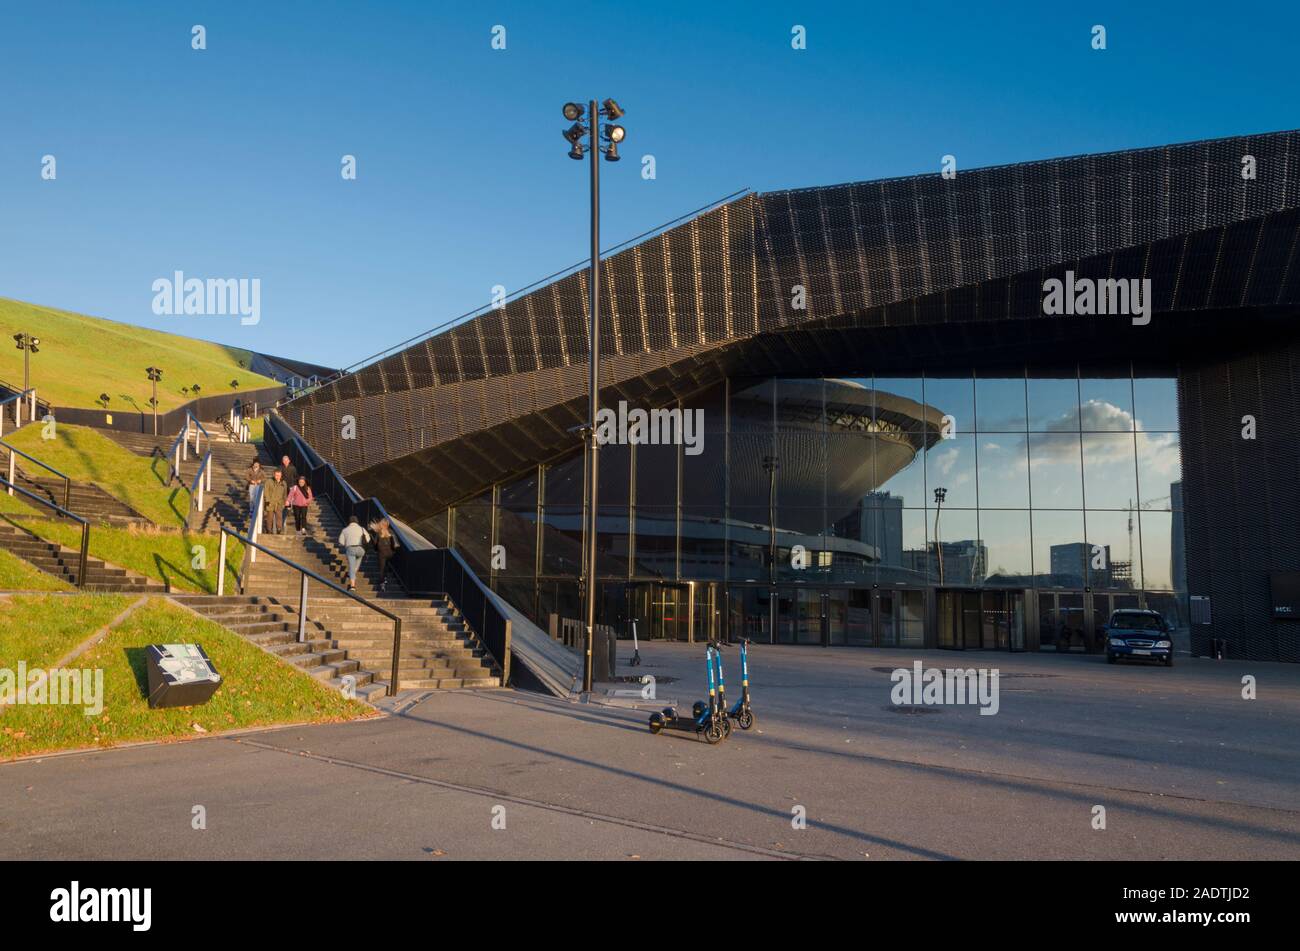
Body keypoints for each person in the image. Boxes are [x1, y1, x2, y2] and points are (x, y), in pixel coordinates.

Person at [338, 515, 372, 591]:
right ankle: (351, 574)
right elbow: (368, 539)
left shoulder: (345, 530)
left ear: (349, 522)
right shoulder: (362, 529)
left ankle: (352, 586)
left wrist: (347, 542)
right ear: (357, 521)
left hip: (351, 549)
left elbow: (341, 542)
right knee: (356, 565)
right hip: (361, 549)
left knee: (352, 567)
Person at [370, 518, 400, 592]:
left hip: (382, 553)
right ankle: (385, 578)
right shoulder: (391, 531)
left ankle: (382, 584)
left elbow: (375, 544)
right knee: (386, 565)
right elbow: (395, 543)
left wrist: (373, 541)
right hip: (390, 553)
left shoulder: (379, 533)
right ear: (387, 525)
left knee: (381, 569)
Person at [262, 469, 288, 534]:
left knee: (279, 517)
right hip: (270, 502)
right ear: (274, 475)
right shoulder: (269, 481)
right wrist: (267, 500)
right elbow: (266, 491)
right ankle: (269, 530)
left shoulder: (284, 483)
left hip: (279, 503)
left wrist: (285, 501)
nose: (278, 476)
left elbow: (285, 493)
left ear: (281, 475)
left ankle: (279, 529)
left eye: (279, 475)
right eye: (276, 475)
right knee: (269, 517)